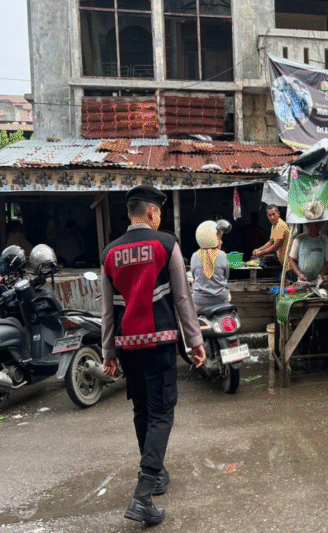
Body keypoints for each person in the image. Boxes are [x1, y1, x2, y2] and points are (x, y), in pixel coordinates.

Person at [100, 185, 206, 526]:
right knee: (162, 413)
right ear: (152, 213)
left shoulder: (109, 252)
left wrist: (108, 351)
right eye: (159, 213)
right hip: (159, 343)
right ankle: (143, 494)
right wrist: (195, 341)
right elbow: (182, 298)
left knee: (143, 410)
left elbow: (107, 310)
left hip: (127, 346)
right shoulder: (166, 244)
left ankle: (156, 474)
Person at [289, 221, 328, 354]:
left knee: (322, 317)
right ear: (308, 225)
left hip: (320, 285)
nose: (316, 226)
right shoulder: (299, 239)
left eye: (318, 224)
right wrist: (300, 275)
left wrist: (322, 275)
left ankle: (324, 349)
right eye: (313, 224)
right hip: (303, 285)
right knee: (304, 317)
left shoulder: (324, 240)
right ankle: (304, 350)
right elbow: (292, 260)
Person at [191, 220, 231, 307]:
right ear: (212, 239)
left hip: (199, 300)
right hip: (221, 298)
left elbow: (194, 276)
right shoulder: (222, 255)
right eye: (219, 238)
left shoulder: (195, 256)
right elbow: (226, 276)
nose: (221, 242)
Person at [252, 205, 291, 271]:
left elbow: (275, 247)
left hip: (289, 264)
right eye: (270, 215)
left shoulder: (280, 225)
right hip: (284, 263)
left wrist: (260, 253)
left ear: (278, 213)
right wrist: (259, 249)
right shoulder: (274, 225)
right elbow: (271, 242)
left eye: (273, 214)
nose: (272, 217)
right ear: (267, 216)